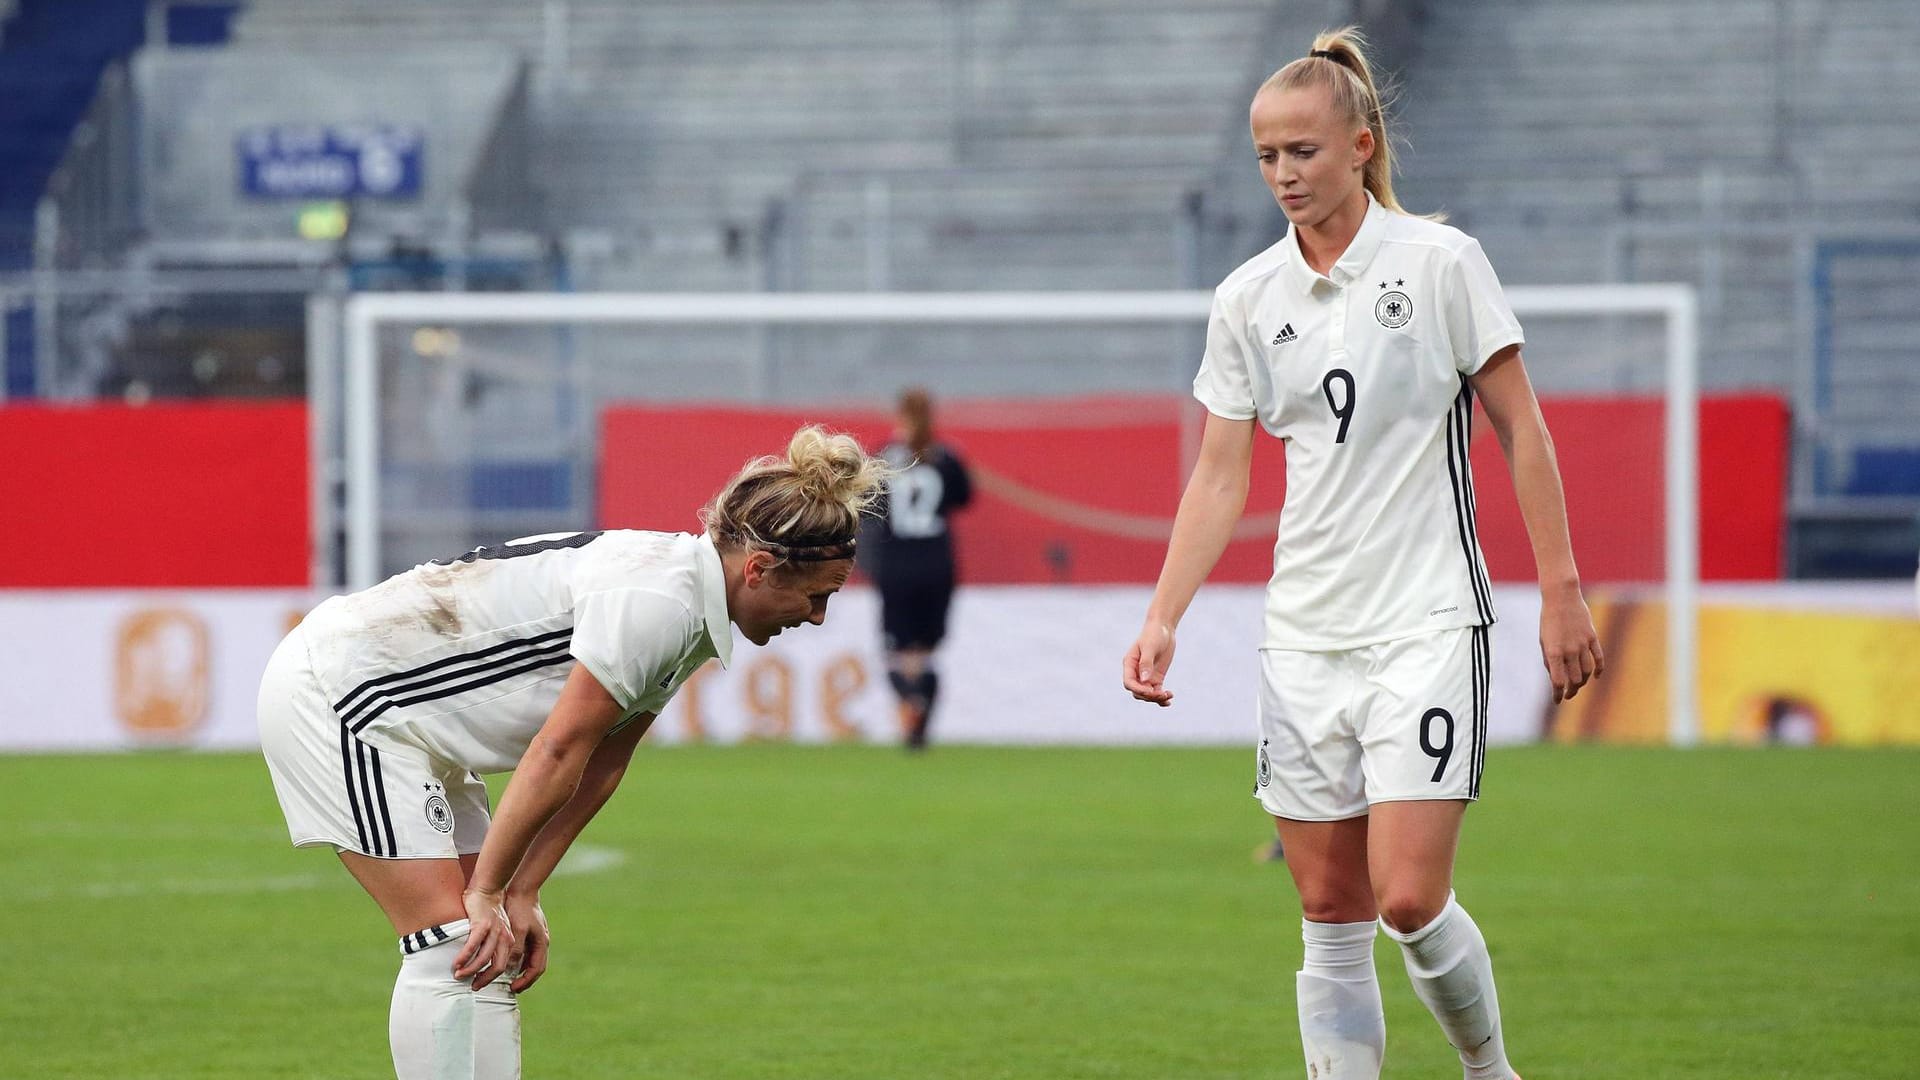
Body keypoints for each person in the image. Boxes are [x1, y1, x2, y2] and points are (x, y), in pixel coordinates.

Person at [1122, 28, 1603, 1080]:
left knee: (1407, 898)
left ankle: (1490, 1069)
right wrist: (1164, 614)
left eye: (1303, 150)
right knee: (1328, 912)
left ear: (1360, 144)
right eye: (1266, 156)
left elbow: (1524, 428)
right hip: (1304, 635)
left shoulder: (1440, 263)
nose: (1284, 174)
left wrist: (1560, 589)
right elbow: (1219, 475)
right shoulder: (1248, 298)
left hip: (1427, 622)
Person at [258, 426, 886, 1079]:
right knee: (450, 945)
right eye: (818, 595)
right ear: (757, 569)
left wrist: (519, 891)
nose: (816, 617)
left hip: (406, 721)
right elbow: (559, 749)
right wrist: (489, 891)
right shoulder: (658, 603)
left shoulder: (693, 602)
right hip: (342, 697)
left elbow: (604, 761)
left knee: (487, 947)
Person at [864, 388, 973, 750]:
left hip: (896, 564)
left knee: (898, 650)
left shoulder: (883, 457)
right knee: (926, 651)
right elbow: (964, 497)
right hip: (937, 563)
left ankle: (912, 706)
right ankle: (919, 723)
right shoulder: (945, 457)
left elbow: (868, 504)